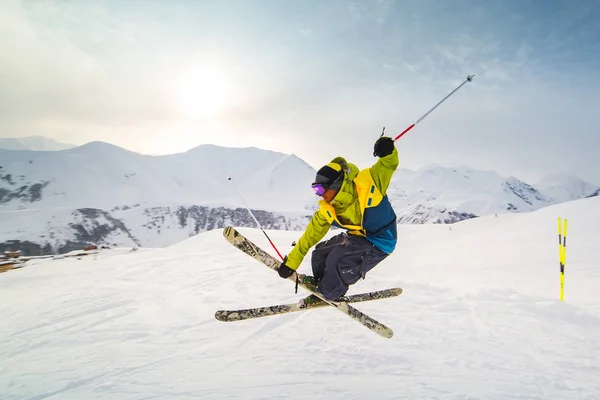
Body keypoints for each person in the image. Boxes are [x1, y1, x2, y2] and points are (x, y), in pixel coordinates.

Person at [278, 136, 399, 300]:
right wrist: (291, 262)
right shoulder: (330, 208)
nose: (319, 195)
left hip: (381, 240)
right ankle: (323, 285)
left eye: (320, 189)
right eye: (315, 190)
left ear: (335, 184)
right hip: (358, 237)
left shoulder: (369, 183)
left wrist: (387, 150)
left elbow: (388, 164)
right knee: (320, 253)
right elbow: (310, 235)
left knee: (339, 257)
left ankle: (330, 292)